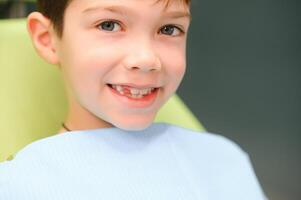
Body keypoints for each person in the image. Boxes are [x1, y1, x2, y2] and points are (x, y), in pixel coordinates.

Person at [0, 0, 268, 199]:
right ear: (48, 40)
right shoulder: (22, 185)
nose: (146, 59)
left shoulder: (223, 161)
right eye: (109, 25)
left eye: (169, 29)